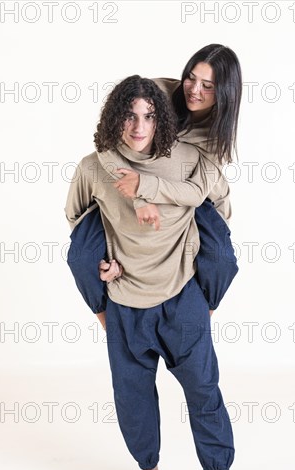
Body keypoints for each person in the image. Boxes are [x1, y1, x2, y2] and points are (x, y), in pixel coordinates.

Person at [65, 75, 248, 470]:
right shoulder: (94, 166)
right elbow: (76, 218)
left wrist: (198, 266)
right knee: (133, 401)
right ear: (115, 117)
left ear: (162, 118)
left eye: (149, 114)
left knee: (205, 394)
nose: (138, 125)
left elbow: (220, 208)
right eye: (129, 114)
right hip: (125, 305)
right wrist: (103, 262)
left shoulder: (188, 159)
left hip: (182, 300)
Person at [67, 44, 241, 328]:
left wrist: (144, 187)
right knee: (81, 257)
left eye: (207, 85)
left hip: (191, 197)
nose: (194, 90)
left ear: (224, 93)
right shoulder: (159, 93)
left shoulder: (215, 136)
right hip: (126, 189)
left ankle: (201, 321)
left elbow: (197, 194)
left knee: (221, 259)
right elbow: (107, 140)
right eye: (191, 78)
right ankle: (108, 323)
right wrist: (137, 196)